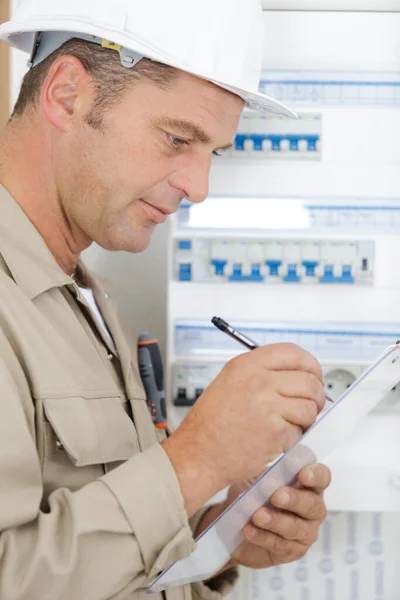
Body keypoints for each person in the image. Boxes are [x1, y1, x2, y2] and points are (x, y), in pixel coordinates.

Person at [0, 1, 331, 599]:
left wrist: (218, 538)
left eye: (213, 154)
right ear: (68, 95)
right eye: (178, 138)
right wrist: (198, 458)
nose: (198, 187)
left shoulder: (86, 299)